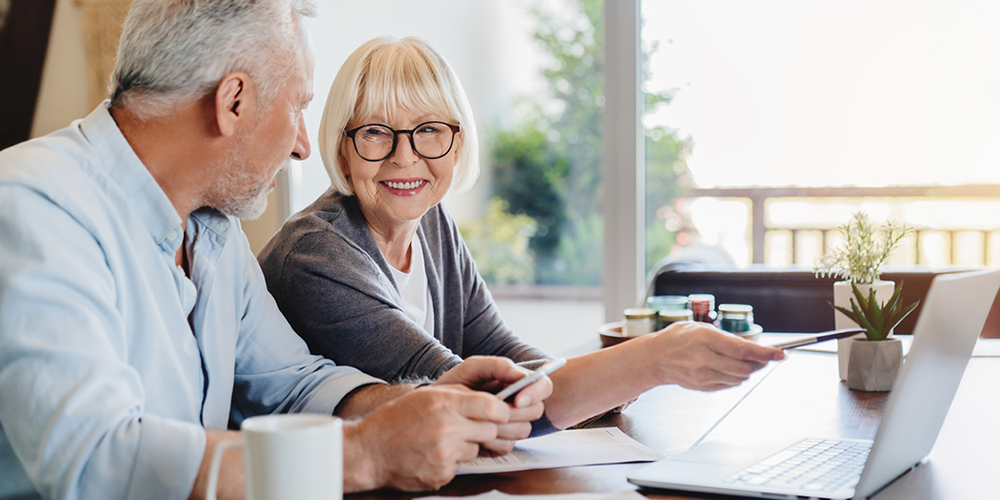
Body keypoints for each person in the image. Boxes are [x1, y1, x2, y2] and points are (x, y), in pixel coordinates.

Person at [0, 3, 551, 499]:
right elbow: (96, 458)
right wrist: (362, 454)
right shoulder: (33, 206)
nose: (303, 145)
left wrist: (416, 405)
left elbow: (292, 383)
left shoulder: (212, 231)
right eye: (298, 107)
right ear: (233, 102)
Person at [257, 36, 785, 433]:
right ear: (342, 147)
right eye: (375, 132)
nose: (405, 156)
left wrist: (599, 385)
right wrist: (650, 360)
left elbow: (500, 349)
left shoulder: (433, 225)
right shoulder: (317, 255)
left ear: (458, 144)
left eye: (429, 131)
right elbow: (474, 400)